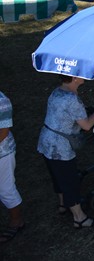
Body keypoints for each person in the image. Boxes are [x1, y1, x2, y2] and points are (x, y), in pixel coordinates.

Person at [37, 75, 94, 228]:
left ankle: (62, 205)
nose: (84, 74)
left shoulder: (57, 91)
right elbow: (87, 125)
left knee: (58, 175)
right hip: (60, 147)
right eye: (80, 73)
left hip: (46, 141)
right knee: (69, 180)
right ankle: (79, 218)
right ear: (74, 78)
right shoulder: (72, 99)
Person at [0, 91, 23, 243]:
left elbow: (3, 131)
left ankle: (17, 221)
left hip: (3, 154)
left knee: (5, 189)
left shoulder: (2, 101)